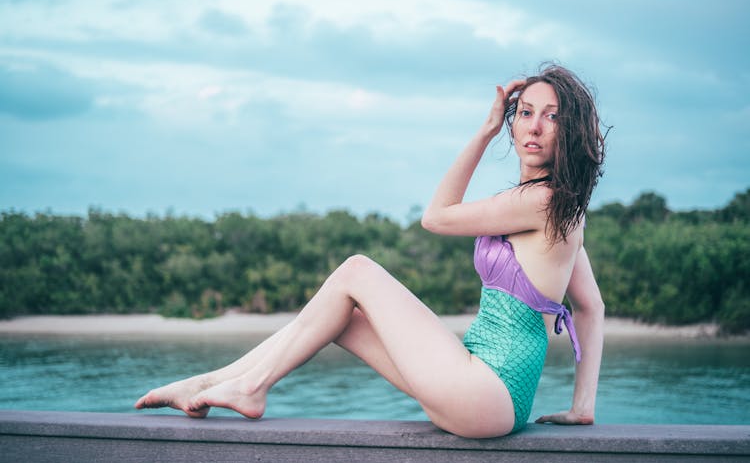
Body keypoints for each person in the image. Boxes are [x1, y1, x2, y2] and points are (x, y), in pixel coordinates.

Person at [135, 63, 606, 438]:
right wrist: (582, 408)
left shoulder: (541, 201)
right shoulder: (564, 209)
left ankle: (250, 387)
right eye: (524, 112)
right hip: (482, 389)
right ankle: (214, 383)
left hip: (485, 393)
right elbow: (591, 306)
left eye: (552, 116)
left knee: (356, 270)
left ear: (571, 130)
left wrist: (484, 130)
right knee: (344, 317)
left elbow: (436, 216)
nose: (535, 126)